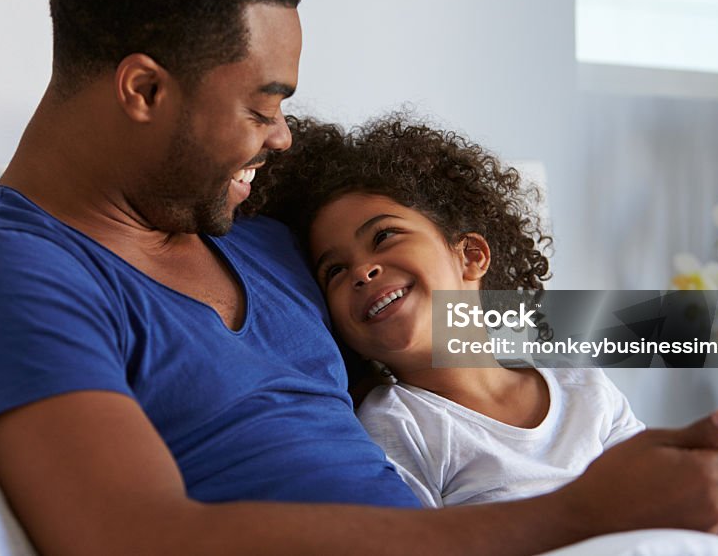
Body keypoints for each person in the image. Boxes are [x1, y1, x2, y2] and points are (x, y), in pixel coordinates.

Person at [0, 0, 718, 556]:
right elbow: (141, 538)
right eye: (262, 105)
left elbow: (488, 320)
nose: (280, 137)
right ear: (143, 89)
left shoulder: (278, 246)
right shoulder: (11, 275)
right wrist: (575, 514)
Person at [246, 114, 647, 507]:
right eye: (334, 270)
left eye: (384, 236)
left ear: (471, 255)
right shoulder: (398, 424)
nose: (362, 272)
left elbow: (660, 499)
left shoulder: (582, 385)